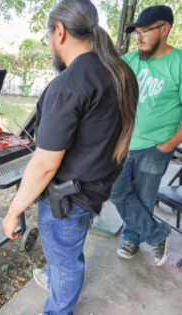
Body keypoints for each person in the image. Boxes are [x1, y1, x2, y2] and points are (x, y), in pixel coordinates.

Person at [2, 0, 138, 314]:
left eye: (47, 36)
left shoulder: (69, 84)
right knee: (64, 255)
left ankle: (57, 307)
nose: (49, 44)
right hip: (93, 189)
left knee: (66, 264)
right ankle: (54, 276)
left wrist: (14, 210)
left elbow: (45, 163)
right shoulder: (117, 71)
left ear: (59, 32)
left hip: (67, 202)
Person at [109, 5, 182, 267]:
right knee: (116, 190)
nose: (138, 37)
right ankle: (157, 233)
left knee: (144, 197)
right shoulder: (129, 60)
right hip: (124, 141)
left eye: (145, 31)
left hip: (156, 146)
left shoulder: (179, 63)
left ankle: (131, 238)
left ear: (165, 29)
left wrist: (169, 145)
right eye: (136, 32)